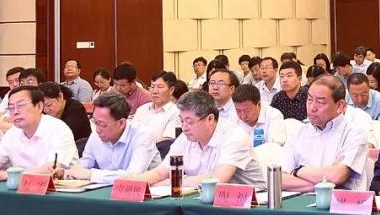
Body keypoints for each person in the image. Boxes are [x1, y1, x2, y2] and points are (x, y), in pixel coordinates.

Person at [138, 91, 266, 189]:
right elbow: (160, 173)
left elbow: (216, 180)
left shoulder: (234, 136)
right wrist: (133, 182)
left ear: (210, 119)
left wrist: (168, 183)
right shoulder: (184, 138)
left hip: (251, 204)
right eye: (181, 121)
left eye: (189, 122)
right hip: (203, 198)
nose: (184, 127)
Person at [281, 76, 369, 192]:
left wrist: (297, 171)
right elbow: (280, 180)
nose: (312, 108)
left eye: (320, 102)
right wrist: (326, 181)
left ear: (340, 106)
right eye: (309, 100)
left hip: (340, 202)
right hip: (301, 199)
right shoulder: (298, 133)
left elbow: (336, 176)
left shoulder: (355, 134)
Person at [0, 86, 78, 180]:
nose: (15, 112)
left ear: (39, 106)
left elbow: (51, 170)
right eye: (11, 108)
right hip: (21, 188)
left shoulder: (58, 129)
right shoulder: (12, 133)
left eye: (21, 105)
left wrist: (5, 175)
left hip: (60, 190)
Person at [66, 92, 161, 184]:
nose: (98, 129)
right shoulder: (95, 136)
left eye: (102, 124)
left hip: (144, 192)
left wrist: (91, 174)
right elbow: (84, 165)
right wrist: (70, 172)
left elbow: (134, 176)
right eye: (95, 122)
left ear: (121, 123)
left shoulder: (142, 136)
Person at [132, 71, 181, 143]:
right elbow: (131, 133)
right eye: (152, 87)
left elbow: (167, 141)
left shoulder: (176, 113)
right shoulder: (142, 109)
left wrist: (140, 140)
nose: (154, 91)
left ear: (171, 90)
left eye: (160, 87)